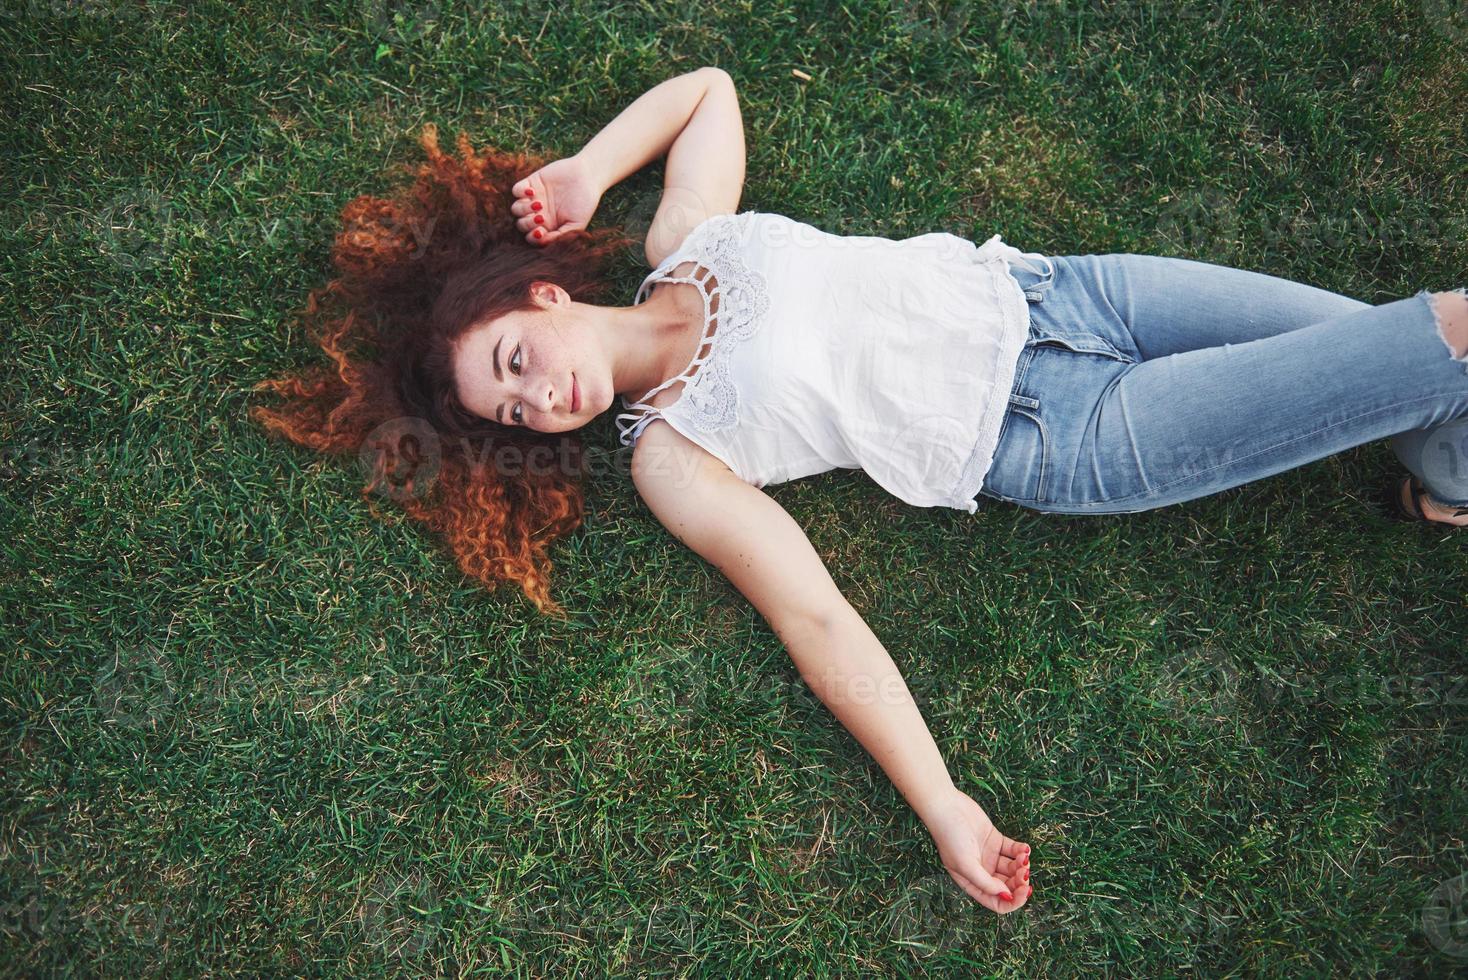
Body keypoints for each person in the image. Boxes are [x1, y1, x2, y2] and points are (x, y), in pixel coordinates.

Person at [253, 67, 1468, 918]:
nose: (538, 397)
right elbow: (815, 618)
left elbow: (709, 91)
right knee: (1438, 340)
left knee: (1405, 363)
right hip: (1065, 433)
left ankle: (1447, 483)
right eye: (512, 413)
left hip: (1064, 294)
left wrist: (585, 167)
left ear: (545, 298)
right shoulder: (672, 458)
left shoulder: (688, 235)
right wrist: (943, 801)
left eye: (515, 361)